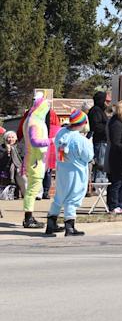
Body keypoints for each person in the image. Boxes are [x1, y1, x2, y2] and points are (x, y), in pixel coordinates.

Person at [44, 109, 92, 237]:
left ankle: (51, 223)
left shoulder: (61, 133)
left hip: (62, 170)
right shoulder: (80, 140)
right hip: (76, 172)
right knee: (73, 197)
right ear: (82, 123)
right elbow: (88, 157)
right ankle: (69, 227)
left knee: (59, 196)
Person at [20, 93, 52, 228]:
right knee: (33, 189)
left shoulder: (31, 119)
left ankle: (29, 217)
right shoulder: (34, 122)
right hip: (35, 160)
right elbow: (35, 141)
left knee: (32, 189)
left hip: (35, 158)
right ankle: (28, 219)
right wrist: (51, 141)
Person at [88, 90, 111, 183]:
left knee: (102, 163)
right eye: (106, 101)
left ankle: (100, 182)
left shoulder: (100, 111)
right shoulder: (96, 111)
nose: (108, 104)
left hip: (103, 141)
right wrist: (108, 128)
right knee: (100, 163)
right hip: (100, 142)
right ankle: (100, 184)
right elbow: (97, 127)